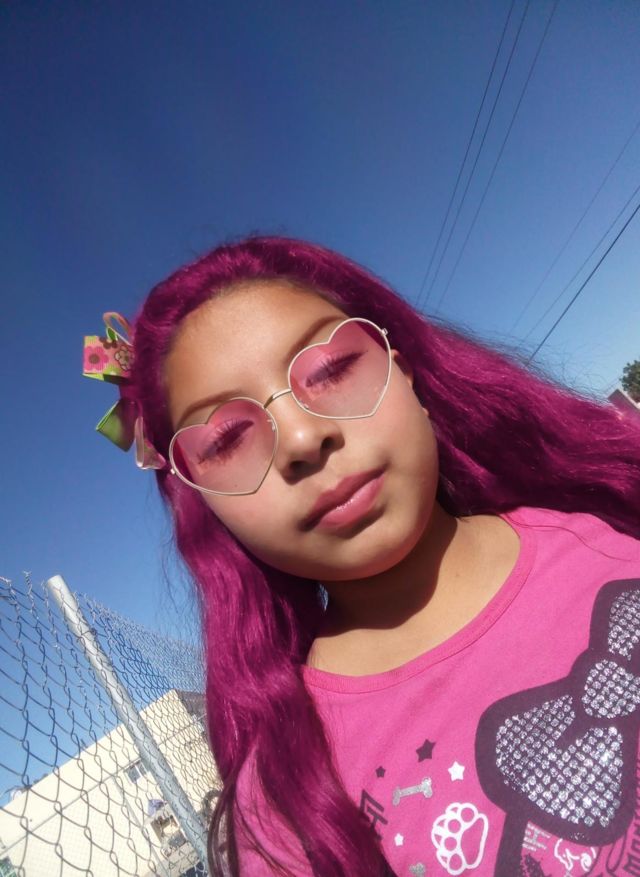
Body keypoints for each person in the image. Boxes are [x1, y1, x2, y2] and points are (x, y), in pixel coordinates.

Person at [89, 236, 640, 876]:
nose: (302, 438)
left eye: (331, 370)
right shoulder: (285, 804)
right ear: (204, 502)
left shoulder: (615, 517)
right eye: (228, 438)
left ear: (405, 373)